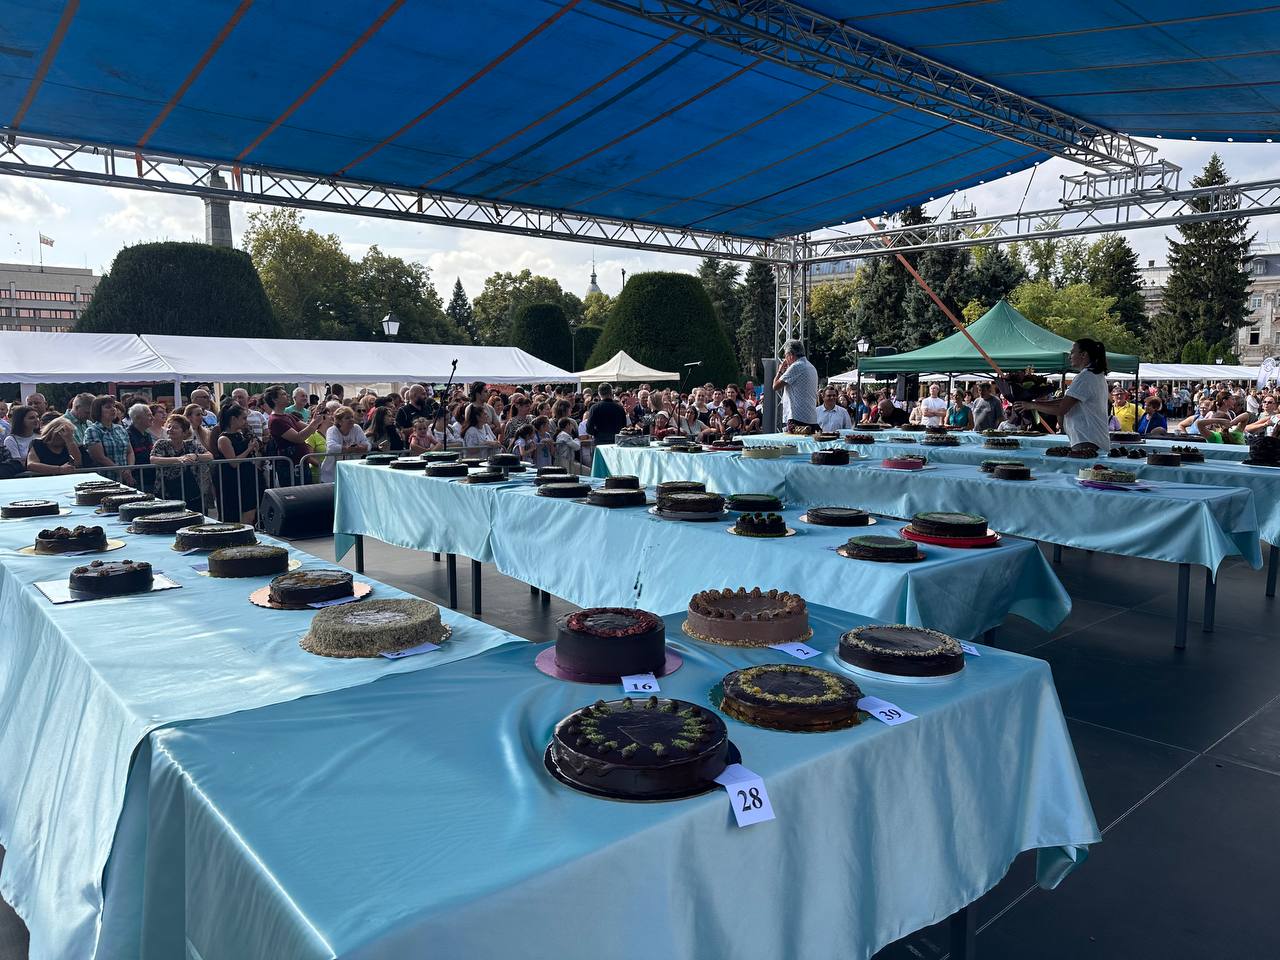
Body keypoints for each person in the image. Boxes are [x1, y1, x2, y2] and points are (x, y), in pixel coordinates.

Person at [1016, 339, 1111, 452]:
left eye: (1072, 352)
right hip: (1092, 439)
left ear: (1083, 355)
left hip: (1087, 440)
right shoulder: (1094, 375)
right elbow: (1066, 401)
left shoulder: (1085, 377)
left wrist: (1032, 406)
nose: (1069, 357)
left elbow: (1061, 409)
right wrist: (1035, 403)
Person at [263, 385, 331, 485]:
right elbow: (298, 437)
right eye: (283, 394)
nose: (287, 395)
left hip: (301, 464)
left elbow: (309, 428)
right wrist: (315, 423)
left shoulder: (288, 416)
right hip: (290, 467)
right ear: (274, 399)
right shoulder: (275, 420)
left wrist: (317, 415)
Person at [151, 414, 212, 510]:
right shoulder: (161, 444)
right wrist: (178, 459)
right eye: (169, 427)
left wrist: (196, 456)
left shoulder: (191, 444)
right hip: (166, 492)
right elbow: (153, 459)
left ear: (185, 432)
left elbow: (210, 456)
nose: (170, 429)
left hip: (191, 492)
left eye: (175, 428)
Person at [214, 404, 261, 522]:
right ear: (233, 419)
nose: (246, 421)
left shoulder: (241, 435)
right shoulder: (224, 439)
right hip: (232, 479)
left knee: (251, 510)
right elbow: (233, 462)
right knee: (237, 512)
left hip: (247, 476)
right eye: (243, 418)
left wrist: (255, 448)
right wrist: (249, 449)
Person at [83, 395, 134, 486]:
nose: (113, 409)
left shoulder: (120, 429)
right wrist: (121, 471)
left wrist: (128, 470)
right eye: (108, 407)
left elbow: (130, 452)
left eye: (114, 406)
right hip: (105, 480)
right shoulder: (92, 430)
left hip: (125, 479)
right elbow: (99, 457)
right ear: (98, 411)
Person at [773, 340, 819, 430]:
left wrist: (780, 371)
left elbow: (775, 386)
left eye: (785, 356)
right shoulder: (811, 366)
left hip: (797, 418)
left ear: (790, 355)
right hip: (811, 417)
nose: (785, 360)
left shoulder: (796, 366)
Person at [321, 406, 369, 483]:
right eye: (347, 418)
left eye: (352, 417)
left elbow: (367, 445)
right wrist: (349, 449)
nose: (351, 420)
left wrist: (359, 447)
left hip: (352, 472)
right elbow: (331, 447)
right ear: (339, 421)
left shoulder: (356, 428)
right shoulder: (332, 430)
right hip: (332, 473)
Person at [126, 403, 154, 482]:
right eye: (149, 415)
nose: (152, 418)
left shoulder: (147, 434)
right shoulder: (127, 434)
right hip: (136, 479)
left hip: (149, 478)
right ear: (137, 418)